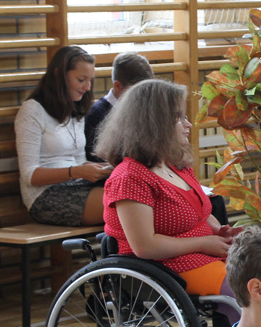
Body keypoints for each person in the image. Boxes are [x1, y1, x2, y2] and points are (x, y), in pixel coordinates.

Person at [97, 79, 243, 300]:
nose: (188, 124)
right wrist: (204, 243)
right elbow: (145, 246)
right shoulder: (129, 177)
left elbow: (201, 214)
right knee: (246, 291)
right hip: (163, 268)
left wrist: (220, 232)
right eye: (179, 117)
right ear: (154, 123)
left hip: (198, 256)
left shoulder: (175, 165)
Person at [14, 46, 112, 226]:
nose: (87, 87)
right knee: (124, 202)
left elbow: (78, 160)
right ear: (59, 75)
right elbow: (30, 175)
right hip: (44, 195)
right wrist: (76, 172)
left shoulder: (75, 108)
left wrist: (102, 168)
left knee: (136, 192)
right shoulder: (32, 110)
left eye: (90, 80)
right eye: (81, 80)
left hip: (77, 184)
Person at [85, 52, 154, 162]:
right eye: (137, 92)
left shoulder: (145, 109)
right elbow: (96, 158)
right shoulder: (97, 113)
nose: (143, 97)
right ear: (118, 86)